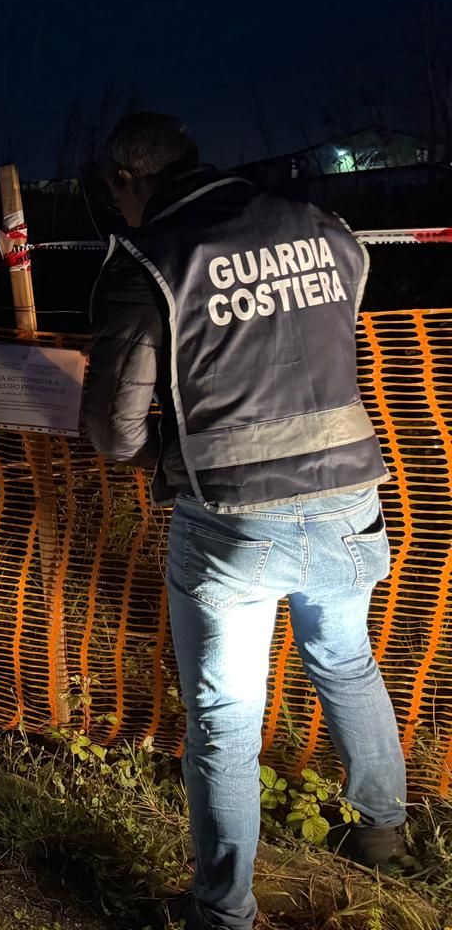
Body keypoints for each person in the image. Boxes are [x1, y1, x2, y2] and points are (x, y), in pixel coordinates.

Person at [80, 113, 407, 930]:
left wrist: (157, 454)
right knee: (347, 662)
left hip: (232, 523)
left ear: (129, 179)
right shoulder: (324, 229)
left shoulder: (150, 260)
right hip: (350, 501)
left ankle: (223, 913)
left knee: (225, 716)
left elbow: (116, 428)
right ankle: (387, 835)